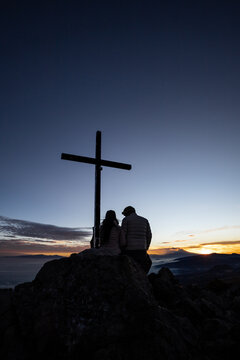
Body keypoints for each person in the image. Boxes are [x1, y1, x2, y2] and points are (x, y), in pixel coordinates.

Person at [120, 206, 152, 273]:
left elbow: (123, 235)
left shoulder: (126, 220)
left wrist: (122, 247)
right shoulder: (144, 220)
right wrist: (146, 247)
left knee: (129, 270)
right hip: (142, 250)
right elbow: (149, 235)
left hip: (129, 250)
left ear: (127, 213)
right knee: (142, 268)